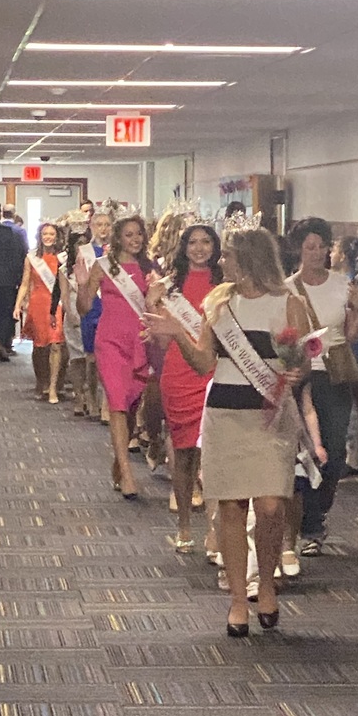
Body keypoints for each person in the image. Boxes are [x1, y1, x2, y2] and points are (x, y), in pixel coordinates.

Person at [147, 225, 310, 637]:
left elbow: (304, 361)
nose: (221, 261)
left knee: (271, 505)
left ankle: (267, 581)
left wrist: (296, 370)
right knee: (232, 509)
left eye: (229, 255)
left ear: (250, 259)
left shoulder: (288, 303)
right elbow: (204, 363)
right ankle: (239, 599)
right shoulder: (218, 301)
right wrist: (175, 337)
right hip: (224, 413)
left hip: (269, 417)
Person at [286, 217, 358, 556]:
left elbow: (350, 335)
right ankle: (307, 524)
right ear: (298, 250)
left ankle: (318, 512)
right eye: (309, 247)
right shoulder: (287, 288)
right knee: (300, 451)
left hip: (334, 375)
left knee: (333, 454)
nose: (317, 253)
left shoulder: (342, 285)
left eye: (322, 247)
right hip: (301, 375)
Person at [152, 224, 222, 550]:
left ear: (215, 245)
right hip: (178, 372)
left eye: (205, 242)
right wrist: (153, 304)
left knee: (210, 453)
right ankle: (183, 526)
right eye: (192, 243)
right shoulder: (169, 287)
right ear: (183, 247)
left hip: (212, 370)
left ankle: (213, 527)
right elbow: (163, 335)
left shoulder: (225, 285)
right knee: (183, 452)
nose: (199, 248)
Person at [76, 215, 155, 498]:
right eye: (129, 235)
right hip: (110, 342)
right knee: (118, 404)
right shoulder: (104, 266)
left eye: (139, 235)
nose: (134, 240)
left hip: (140, 343)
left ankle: (118, 463)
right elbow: (84, 308)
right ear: (118, 238)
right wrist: (83, 284)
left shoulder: (151, 268)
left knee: (133, 405)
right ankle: (128, 472)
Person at [14, 223, 65, 403]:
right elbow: (26, 283)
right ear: (39, 235)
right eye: (45, 233)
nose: (48, 237)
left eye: (51, 234)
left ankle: (53, 388)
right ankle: (41, 380)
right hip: (38, 303)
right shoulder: (32, 257)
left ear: (57, 236)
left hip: (56, 304)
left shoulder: (63, 257)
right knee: (40, 347)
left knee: (56, 343)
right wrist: (18, 305)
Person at [51, 220, 92, 415]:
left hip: (92, 314)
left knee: (92, 360)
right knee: (77, 359)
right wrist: (71, 315)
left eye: (85, 243)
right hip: (74, 316)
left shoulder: (96, 266)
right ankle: (78, 396)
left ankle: (91, 396)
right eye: (78, 243)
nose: (81, 247)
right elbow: (64, 296)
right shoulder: (64, 270)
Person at [77, 210, 113, 421]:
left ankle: (106, 402)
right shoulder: (84, 251)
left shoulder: (117, 251)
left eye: (107, 224)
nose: (103, 228)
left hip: (110, 307)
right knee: (91, 359)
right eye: (99, 224)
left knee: (107, 358)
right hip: (92, 307)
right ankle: (91, 396)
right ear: (91, 227)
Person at [0, 201, 26, 360]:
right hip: (7, 279)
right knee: (4, 313)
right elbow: (20, 254)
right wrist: (20, 277)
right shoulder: (10, 232)